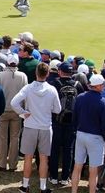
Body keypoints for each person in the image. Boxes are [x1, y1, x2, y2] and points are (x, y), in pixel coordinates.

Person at [11, 62, 63, 193]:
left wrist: (23, 113)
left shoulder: (28, 88)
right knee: (44, 158)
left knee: (28, 157)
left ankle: (25, 185)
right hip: (45, 127)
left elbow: (14, 102)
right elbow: (57, 109)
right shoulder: (51, 89)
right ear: (48, 74)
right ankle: (43, 187)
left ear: (36, 73)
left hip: (30, 126)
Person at [71, 74, 105, 193]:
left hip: (81, 134)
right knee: (93, 171)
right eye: (102, 85)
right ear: (97, 86)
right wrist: (104, 137)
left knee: (77, 166)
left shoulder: (80, 97)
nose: (104, 87)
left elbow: (74, 117)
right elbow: (104, 125)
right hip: (96, 137)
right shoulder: (103, 102)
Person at [0, 54, 28, 173]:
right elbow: (24, 96)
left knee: (3, 138)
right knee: (15, 138)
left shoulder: (0, 76)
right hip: (17, 111)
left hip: (4, 110)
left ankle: (2, 163)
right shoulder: (23, 76)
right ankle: (13, 164)